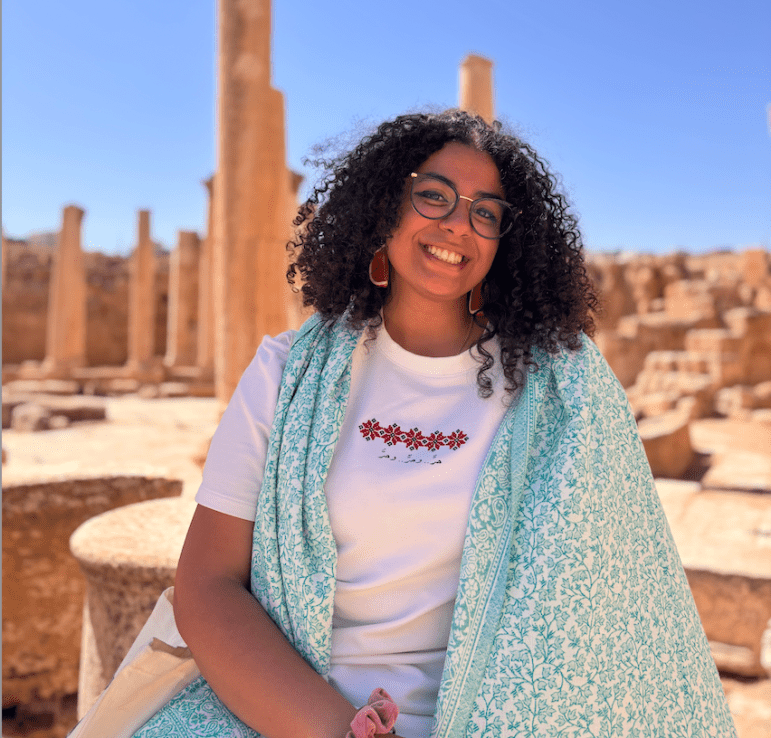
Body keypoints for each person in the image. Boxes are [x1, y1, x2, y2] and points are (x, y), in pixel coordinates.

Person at [131, 110, 736, 738]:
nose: (457, 224)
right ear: (383, 207)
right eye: (433, 195)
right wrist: (342, 731)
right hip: (295, 714)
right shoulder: (284, 376)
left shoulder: (566, 389)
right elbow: (207, 584)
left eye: (486, 212)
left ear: (505, 242)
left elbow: (627, 595)